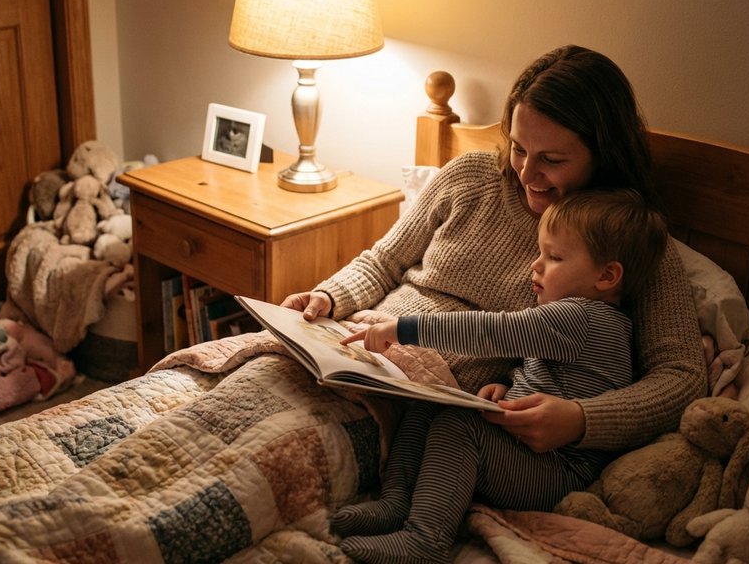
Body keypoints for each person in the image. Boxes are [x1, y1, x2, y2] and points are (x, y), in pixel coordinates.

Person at [281, 44, 705, 458]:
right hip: (358, 347)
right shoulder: (469, 176)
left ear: (603, 156)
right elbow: (383, 262)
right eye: (519, 148)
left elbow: (681, 377)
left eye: (552, 160)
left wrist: (582, 419)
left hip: (424, 405)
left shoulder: (626, 241)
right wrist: (329, 296)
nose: (526, 172)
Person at [330, 189, 668, 563]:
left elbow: (492, 331)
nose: (535, 267)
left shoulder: (583, 318)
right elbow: (549, 374)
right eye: (540, 253)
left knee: (458, 428)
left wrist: (403, 330)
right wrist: (507, 386)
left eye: (554, 257)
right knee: (430, 401)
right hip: (524, 454)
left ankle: (425, 540)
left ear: (607, 276)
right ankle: (397, 501)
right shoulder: (579, 321)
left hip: (556, 472)